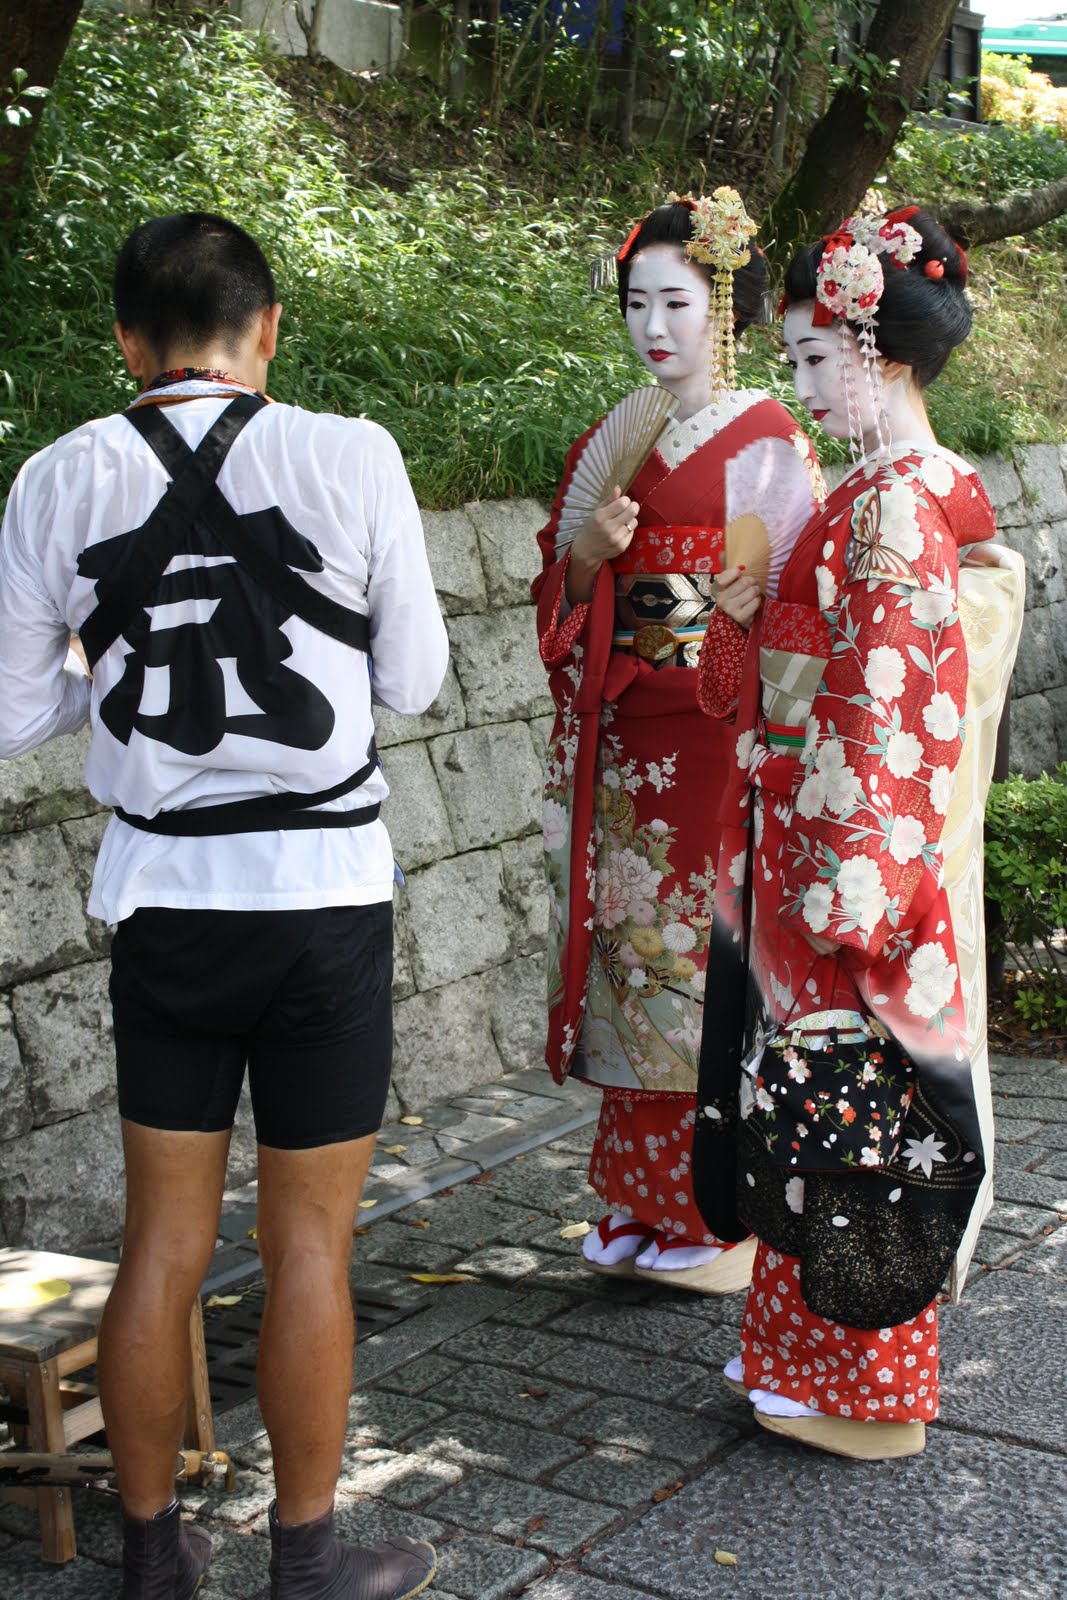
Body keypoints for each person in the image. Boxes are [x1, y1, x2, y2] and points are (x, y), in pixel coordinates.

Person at [0, 213, 448, 1599]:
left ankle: (152, 1558)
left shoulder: (58, 479)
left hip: (170, 908)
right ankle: (305, 1564)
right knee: (309, 1237)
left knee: (163, 1241)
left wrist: (105, 675)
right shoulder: (351, 453)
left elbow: (14, 710)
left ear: (127, 342)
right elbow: (415, 683)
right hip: (322, 899)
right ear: (268, 332)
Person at [692, 206, 1024, 1458]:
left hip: (850, 866)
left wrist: (848, 893)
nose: (797, 388)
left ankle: (862, 1387)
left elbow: (885, 725)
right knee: (817, 1113)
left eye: (812, 362)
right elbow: (787, 686)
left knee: (853, 1119)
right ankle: (800, 1358)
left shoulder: (891, 512)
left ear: (879, 357)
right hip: (818, 841)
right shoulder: (879, 494)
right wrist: (748, 613)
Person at [532, 193, 825, 1293]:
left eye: (676, 302)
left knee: (693, 976)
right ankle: (631, 1198)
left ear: (724, 312)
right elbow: (553, 597)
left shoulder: (765, 440)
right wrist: (583, 563)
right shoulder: (612, 436)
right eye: (636, 302)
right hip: (624, 749)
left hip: (711, 743)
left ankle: (706, 1207)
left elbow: (796, 605)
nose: (653, 325)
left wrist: (731, 609)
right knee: (624, 964)